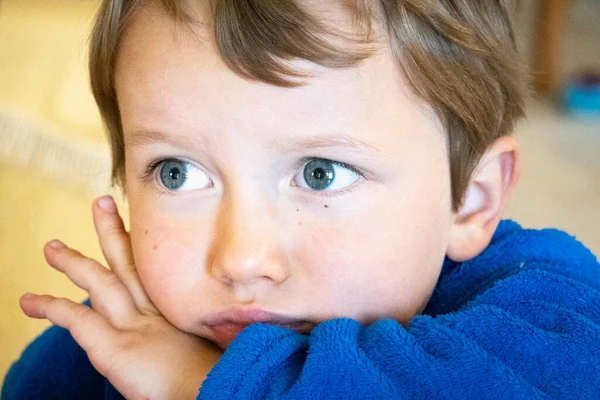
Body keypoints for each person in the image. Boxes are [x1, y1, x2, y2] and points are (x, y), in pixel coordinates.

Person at [3, 0, 600, 399]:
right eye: (177, 173)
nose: (240, 260)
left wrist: (194, 384)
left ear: (469, 198)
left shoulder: (547, 311)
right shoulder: (112, 339)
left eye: (320, 174)